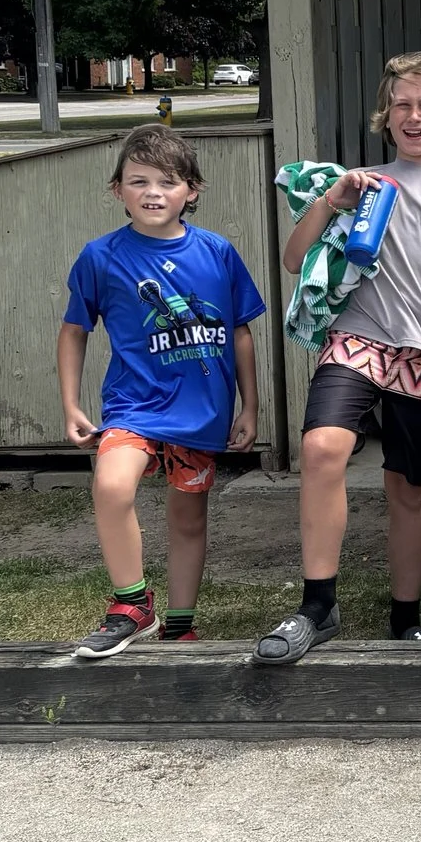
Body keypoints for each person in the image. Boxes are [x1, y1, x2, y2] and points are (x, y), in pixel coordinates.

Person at [256, 51, 421, 664]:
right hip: (358, 339)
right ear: (385, 115)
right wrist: (331, 201)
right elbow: (293, 260)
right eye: (402, 105)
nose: (414, 116)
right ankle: (318, 605)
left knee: (410, 486)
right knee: (321, 447)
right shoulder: (361, 183)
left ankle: (405, 616)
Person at [57, 125, 267, 658]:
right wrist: (71, 404)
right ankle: (131, 603)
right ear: (117, 190)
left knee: (188, 517)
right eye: (139, 181)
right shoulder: (100, 257)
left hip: (201, 414)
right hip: (135, 406)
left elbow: (240, 331)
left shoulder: (218, 253)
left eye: (168, 182)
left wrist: (252, 405)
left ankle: (180, 623)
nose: (153, 192)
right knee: (112, 486)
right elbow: (74, 330)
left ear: (191, 191)